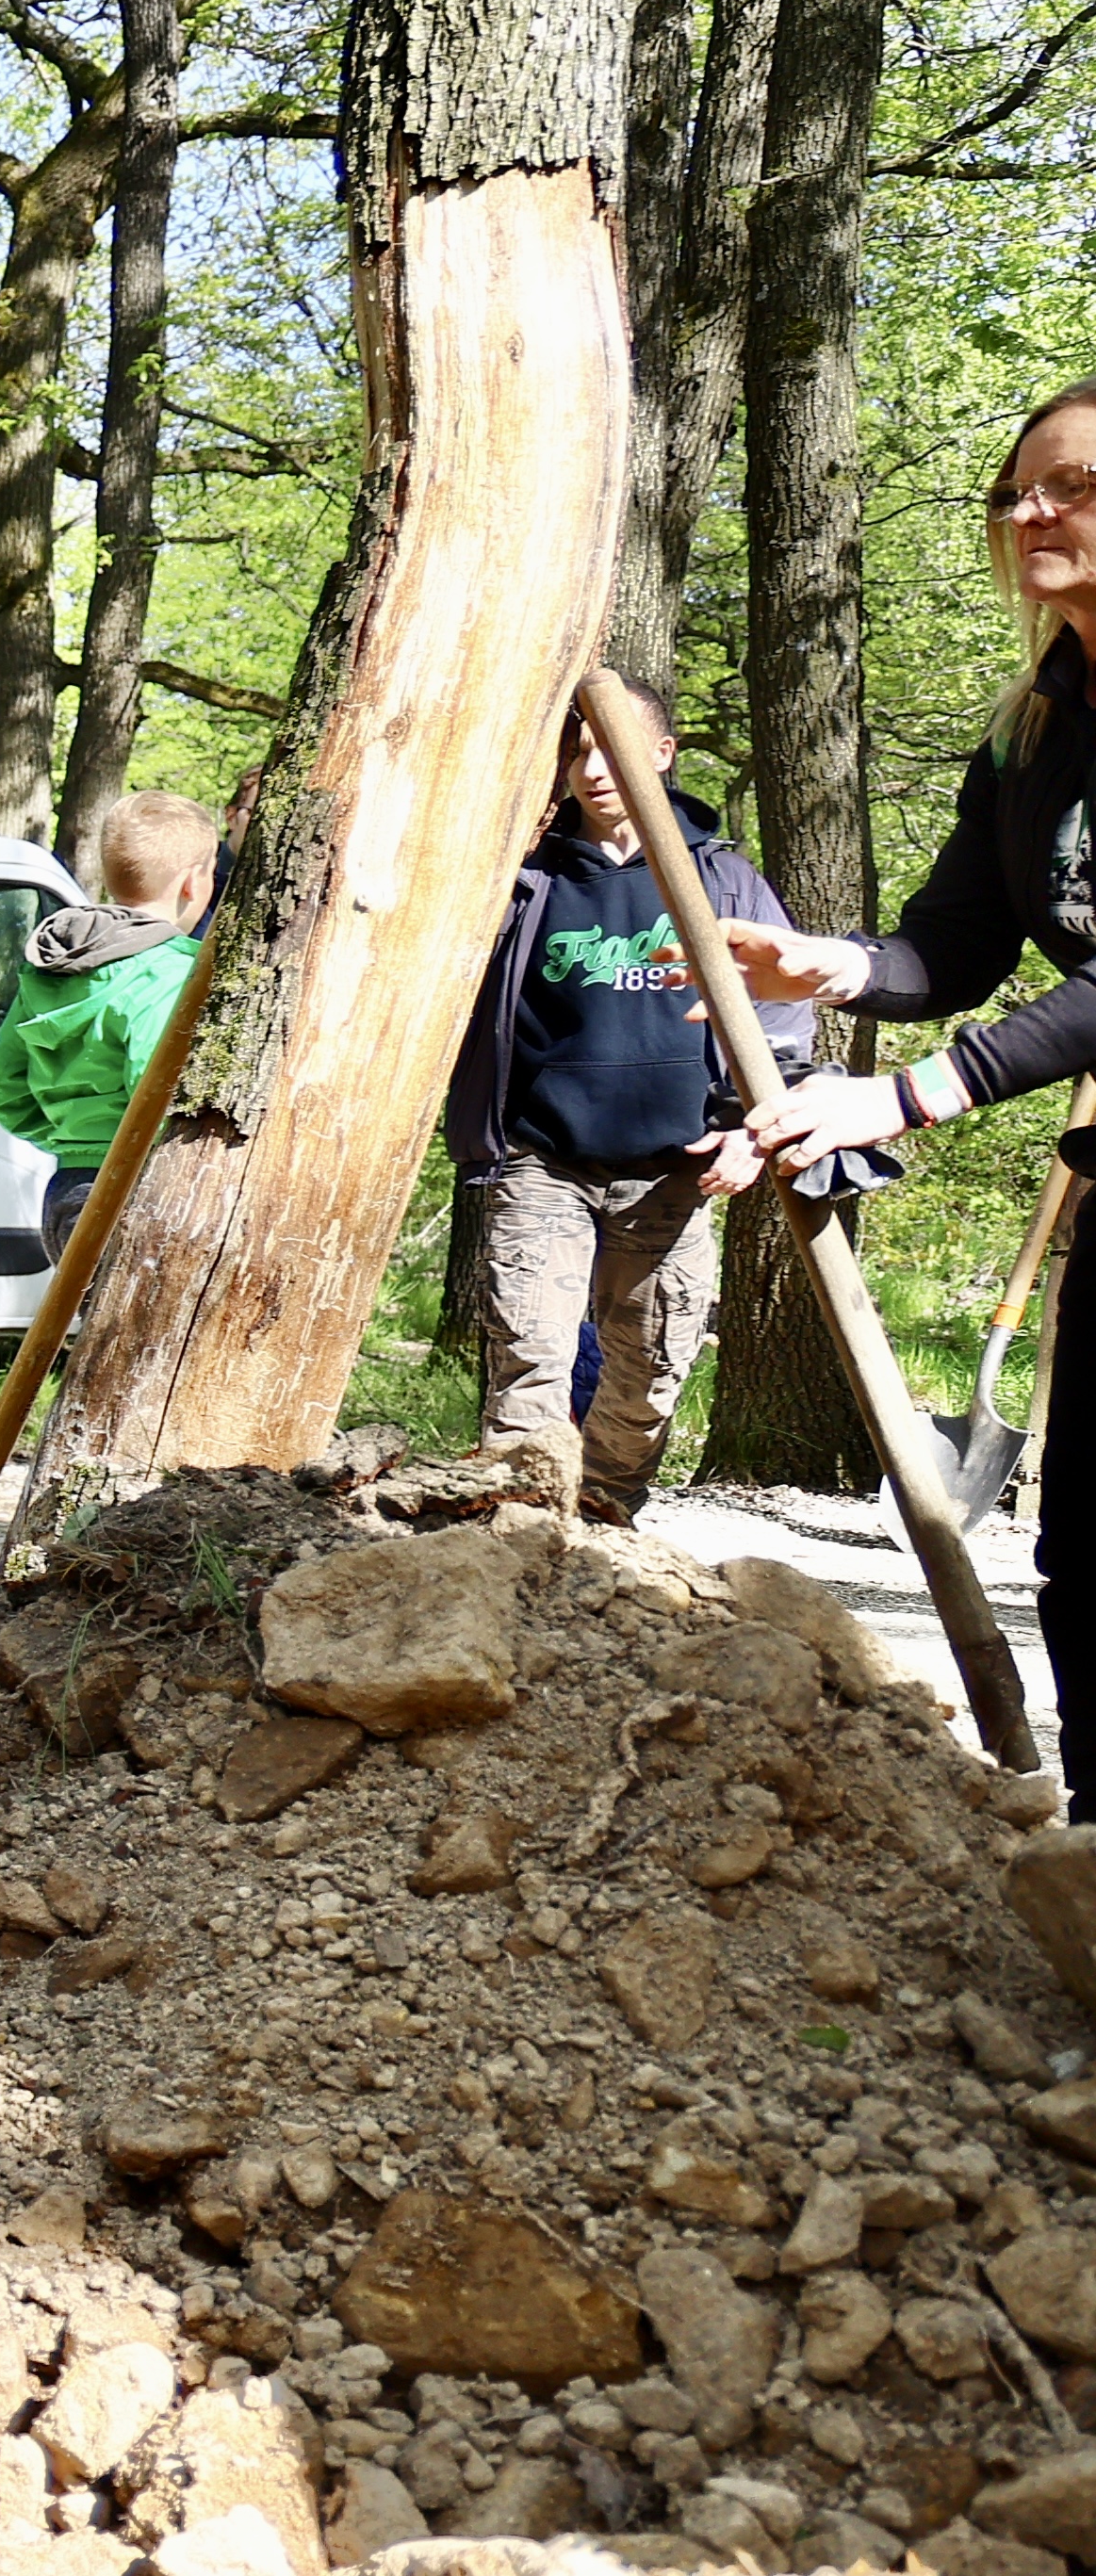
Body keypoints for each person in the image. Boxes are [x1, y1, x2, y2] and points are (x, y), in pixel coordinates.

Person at [729, 375, 1096, 1715]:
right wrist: (831, 966)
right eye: (1019, 489)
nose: (1033, 509)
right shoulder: (1032, 728)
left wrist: (915, 1099)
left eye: (1075, 486)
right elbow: (959, 944)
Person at [436, 698, 824, 1526]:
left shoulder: (719, 878)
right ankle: (521, 1526)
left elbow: (782, 1020)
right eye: (578, 752)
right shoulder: (526, 878)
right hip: (542, 1159)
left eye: (613, 750)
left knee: (651, 1363)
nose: (595, 770)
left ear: (664, 752)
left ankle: (605, 1510)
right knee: (529, 1360)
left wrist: (751, 1129)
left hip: (675, 1169)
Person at [0, 792, 219, 1262]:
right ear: (193, 882)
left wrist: (73, 1136)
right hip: (138, 1187)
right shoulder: (170, 973)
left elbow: (0, 1085)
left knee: (100, 1334)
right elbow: (154, 1089)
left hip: (67, 1189)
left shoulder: (57, 964)